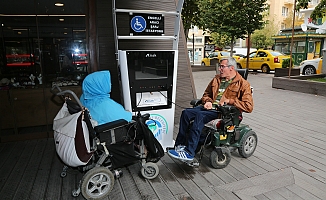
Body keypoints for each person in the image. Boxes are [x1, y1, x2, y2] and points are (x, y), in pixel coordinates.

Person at [167, 57, 253, 161]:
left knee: (200, 116)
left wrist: (230, 101)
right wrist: (207, 101)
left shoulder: (243, 84)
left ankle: (190, 152)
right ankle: (179, 145)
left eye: (222, 67)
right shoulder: (216, 79)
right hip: (209, 108)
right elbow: (206, 94)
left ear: (231, 68)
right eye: (219, 66)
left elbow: (248, 106)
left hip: (222, 113)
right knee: (186, 113)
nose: (220, 69)